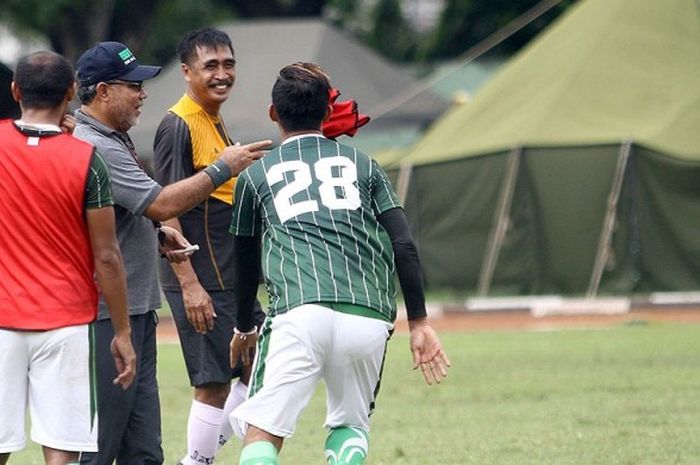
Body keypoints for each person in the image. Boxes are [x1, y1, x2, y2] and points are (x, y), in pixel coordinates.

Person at [228, 62, 451, 465]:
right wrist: (419, 320)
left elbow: (243, 262)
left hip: (298, 312)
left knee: (263, 431)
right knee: (350, 427)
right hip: (366, 314)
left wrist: (244, 324)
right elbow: (403, 243)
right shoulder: (365, 166)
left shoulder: (255, 176)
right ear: (328, 113)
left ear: (273, 113)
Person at [72, 41, 270, 465]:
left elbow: (136, 211)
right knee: (102, 444)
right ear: (104, 91)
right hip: (107, 313)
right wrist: (222, 167)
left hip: (137, 307)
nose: (143, 93)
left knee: (143, 450)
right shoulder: (103, 144)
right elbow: (162, 201)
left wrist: (158, 231)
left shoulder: (113, 137)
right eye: (133, 86)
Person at [0, 51, 136, 465]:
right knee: (61, 449)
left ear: (16, 91)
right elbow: (108, 257)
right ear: (72, 92)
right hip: (65, 322)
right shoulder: (88, 161)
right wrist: (123, 333)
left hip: (2, 319)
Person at [152, 28, 267, 465]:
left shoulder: (212, 118)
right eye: (210, 66)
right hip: (202, 275)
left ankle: (200, 454)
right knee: (215, 380)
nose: (222, 74)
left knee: (257, 361)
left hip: (226, 272)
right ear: (186, 72)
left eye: (228, 64)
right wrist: (189, 284)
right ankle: (197, 460)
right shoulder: (177, 124)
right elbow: (165, 208)